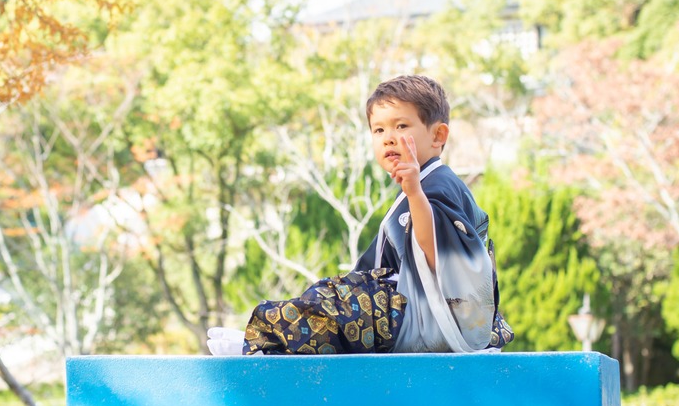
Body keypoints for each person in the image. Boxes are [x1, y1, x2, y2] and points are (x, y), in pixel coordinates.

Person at [208, 74, 513, 356]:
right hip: (405, 311)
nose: (388, 137)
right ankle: (267, 343)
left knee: (335, 307)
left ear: (438, 135)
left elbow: (438, 253)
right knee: (329, 299)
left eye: (401, 126)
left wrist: (416, 196)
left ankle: (261, 344)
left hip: (428, 318)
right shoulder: (416, 185)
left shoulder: (437, 185)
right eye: (378, 129)